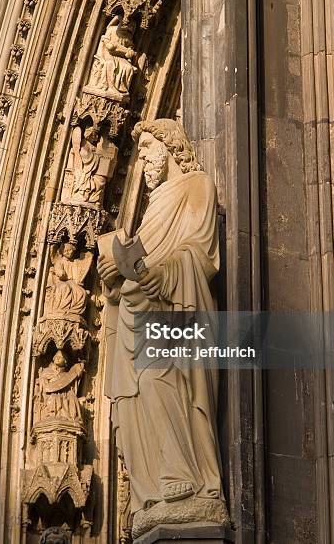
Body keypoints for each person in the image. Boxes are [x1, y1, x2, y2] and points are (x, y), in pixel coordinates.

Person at [97, 119, 228, 535]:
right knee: (132, 400)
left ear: (172, 148)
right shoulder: (154, 206)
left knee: (160, 380)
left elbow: (201, 252)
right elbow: (137, 263)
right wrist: (113, 274)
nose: (144, 161)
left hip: (176, 308)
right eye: (142, 154)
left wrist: (163, 274)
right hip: (140, 312)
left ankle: (186, 479)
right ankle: (151, 489)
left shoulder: (197, 186)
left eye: (150, 150)